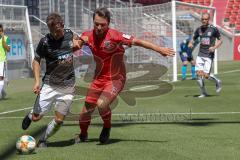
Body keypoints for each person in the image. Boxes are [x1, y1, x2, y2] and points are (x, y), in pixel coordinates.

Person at [75, 7, 175, 144]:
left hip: (116, 79)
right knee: (85, 112)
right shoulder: (87, 35)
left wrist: (160, 49)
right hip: (98, 79)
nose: (98, 27)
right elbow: (76, 45)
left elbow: (138, 41)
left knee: (101, 104)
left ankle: (106, 127)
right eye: (96, 23)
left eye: (102, 25)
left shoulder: (116, 36)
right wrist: (73, 44)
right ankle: (83, 134)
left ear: (108, 23)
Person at [21, 12, 84, 147]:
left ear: (62, 25)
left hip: (68, 86)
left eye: (57, 31)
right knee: (37, 118)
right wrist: (37, 81)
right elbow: (36, 60)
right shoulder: (45, 42)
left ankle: (42, 140)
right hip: (49, 84)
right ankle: (31, 115)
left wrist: (79, 43)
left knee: (59, 120)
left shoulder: (69, 34)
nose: (55, 34)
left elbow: (79, 42)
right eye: (52, 32)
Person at [188, 13, 223, 98]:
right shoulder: (198, 29)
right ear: (201, 19)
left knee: (206, 76)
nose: (204, 21)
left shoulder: (213, 29)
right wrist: (190, 43)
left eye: (206, 19)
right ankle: (203, 92)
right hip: (200, 54)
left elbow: (221, 40)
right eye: (203, 19)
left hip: (209, 55)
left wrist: (214, 47)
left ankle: (217, 81)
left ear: (208, 19)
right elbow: (193, 38)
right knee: (198, 74)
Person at [0, 24, 10, 99]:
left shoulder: (6, 38)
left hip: (1, 61)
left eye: (1, 31)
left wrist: (3, 39)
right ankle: (3, 93)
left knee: (1, 78)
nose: (0, 32)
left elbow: (8, 49)